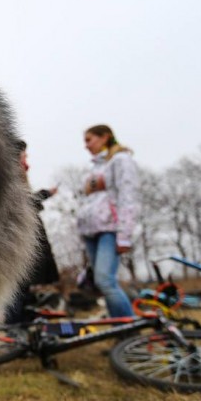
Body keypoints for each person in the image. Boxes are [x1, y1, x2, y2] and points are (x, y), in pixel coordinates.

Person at [77, 124, 139, 318]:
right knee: (100, 283)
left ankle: (131, 332)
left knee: (106, 281)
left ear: (104, 137)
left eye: (89, 140)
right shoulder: (96, 165)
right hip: (91, 231)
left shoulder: (121, 160)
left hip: (110, 229)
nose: (86, 145)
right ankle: (120, 333)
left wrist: (124, 235)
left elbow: (128, 196)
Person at [5, 141, 60, 324]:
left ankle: (26, 326)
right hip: (15, 245)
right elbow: (22, 205)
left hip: (26, 244)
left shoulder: (18, 181)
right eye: (24, 156)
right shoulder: (9, 180)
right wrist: (45, 194)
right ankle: (16, 328)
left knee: (26, 287)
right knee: (18, 288)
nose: (26, 161)